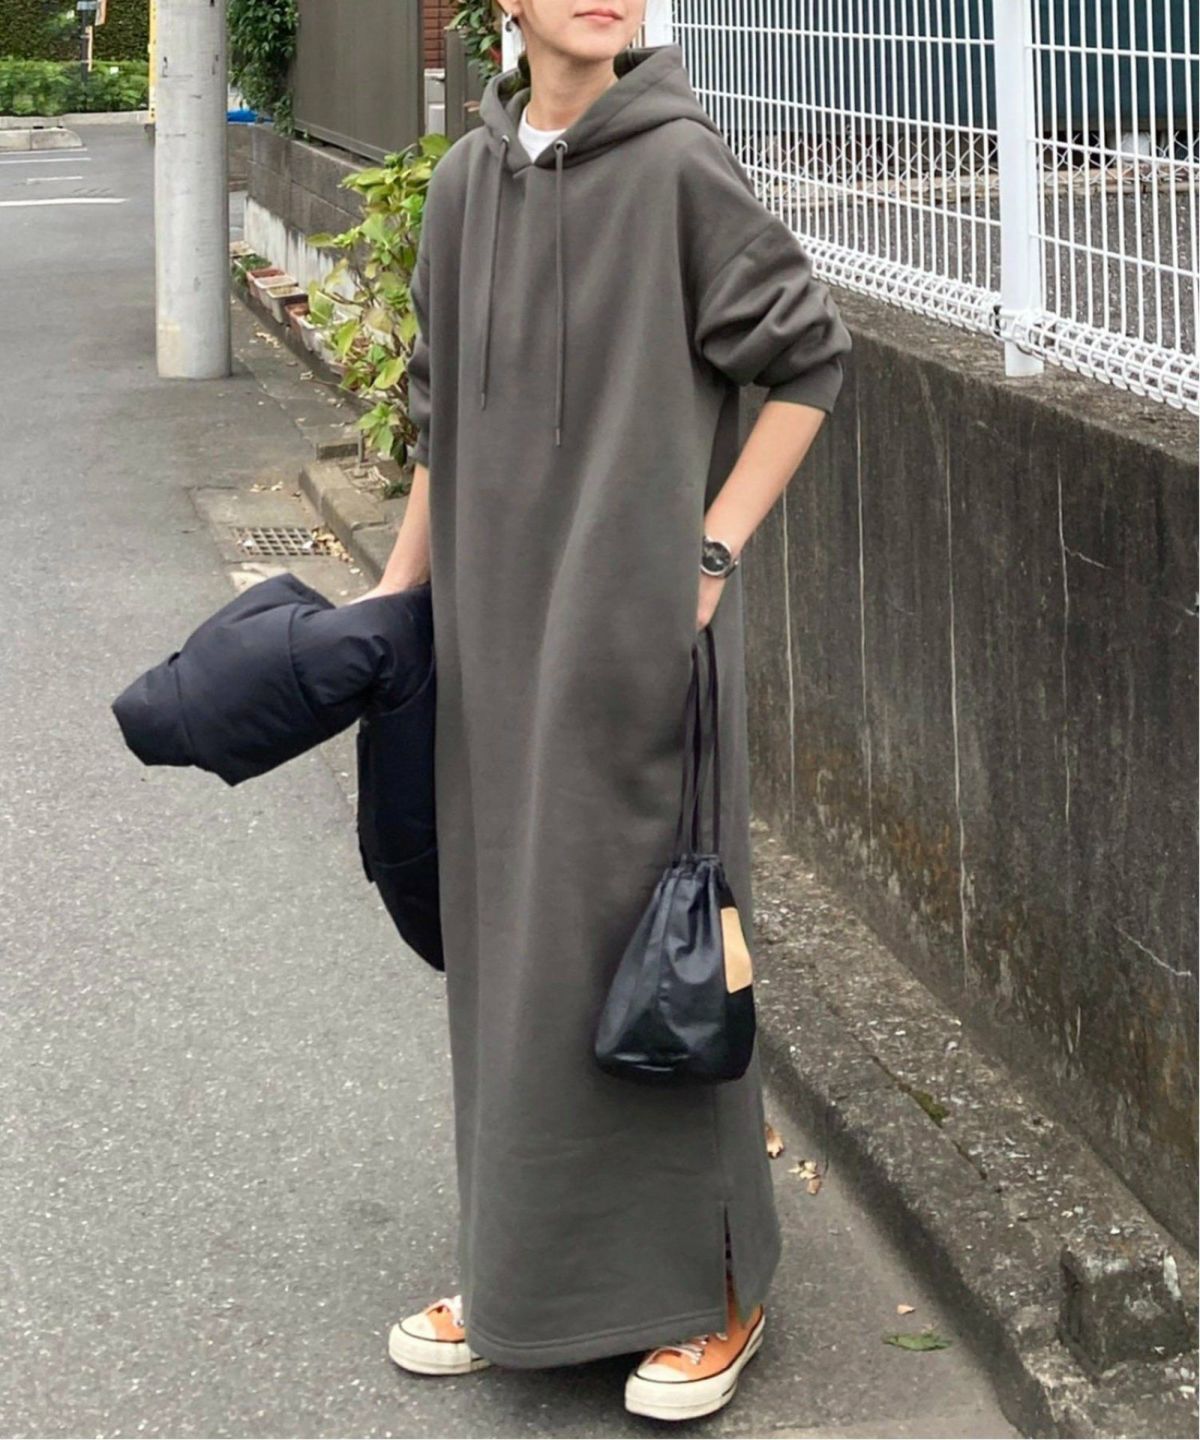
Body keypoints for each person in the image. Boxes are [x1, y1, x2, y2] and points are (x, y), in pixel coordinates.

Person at [352, 0, 852, 1422]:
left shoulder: (680, 164)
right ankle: (521, 1281)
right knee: (509, 956)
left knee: (661, 955)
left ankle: (717, 1288)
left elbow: (808, 358)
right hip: (491, 645)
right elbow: (439, 420)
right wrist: (394, 608)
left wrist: (709, 557)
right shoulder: (465, 182)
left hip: (635, 644)